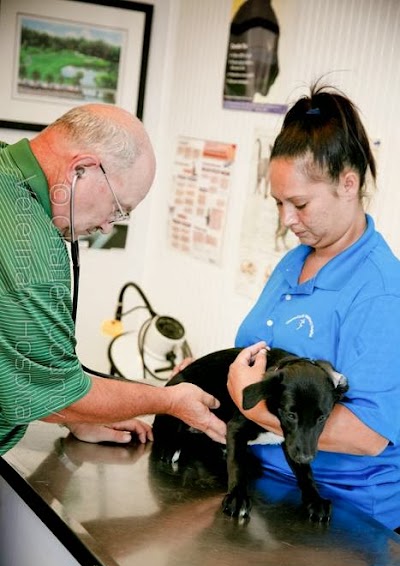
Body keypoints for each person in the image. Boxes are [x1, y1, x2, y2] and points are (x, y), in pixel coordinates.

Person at [0, 103, 226, 456]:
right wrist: (170, 400)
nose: (108, 226)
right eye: (119, 209)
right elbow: (55, 392)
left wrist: (74, 416)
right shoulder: (31, 248)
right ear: (82, 170)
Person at [227, 83, 400, 531]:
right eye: (279, 203)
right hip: (265, 480)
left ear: (349, 182)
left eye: (300, 203)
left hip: (341, 512)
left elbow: (367, 436)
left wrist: (250, 406)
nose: (286, 219)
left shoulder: (382, 292)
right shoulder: (295, 261)